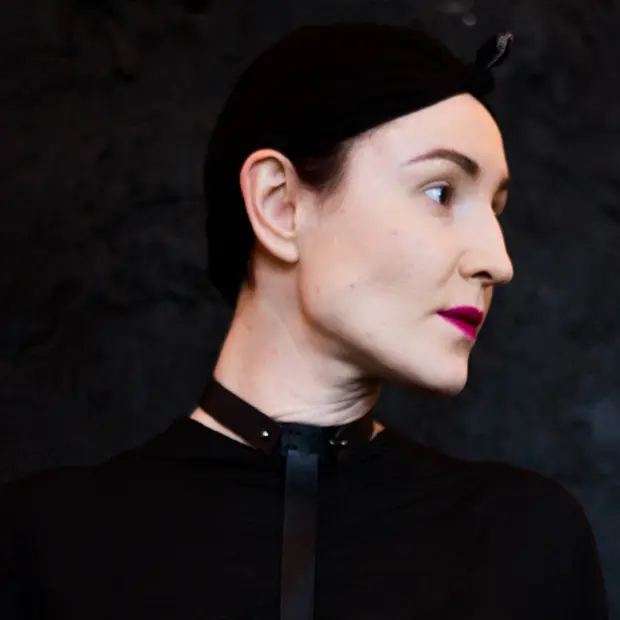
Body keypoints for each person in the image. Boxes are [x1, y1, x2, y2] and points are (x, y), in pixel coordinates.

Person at [0, 21, 609, 620]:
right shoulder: (43, 544)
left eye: (496, 210)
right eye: (441, 193)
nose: (499, 262)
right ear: (280, 205)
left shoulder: (528, 543)